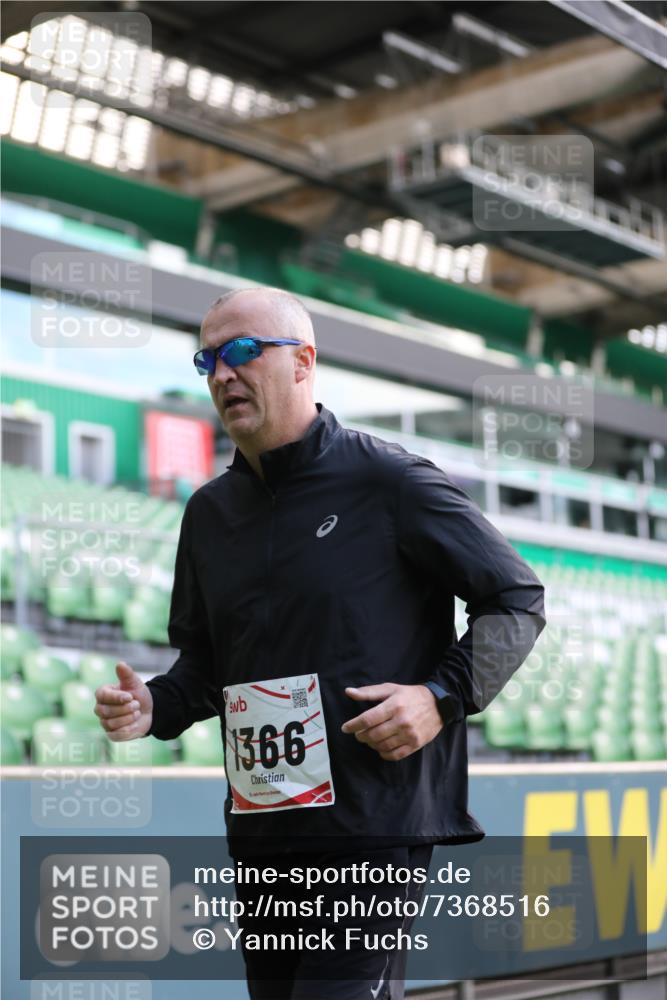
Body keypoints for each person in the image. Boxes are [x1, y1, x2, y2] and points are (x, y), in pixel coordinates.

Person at [95, 286, 546, 999]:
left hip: (371, 826)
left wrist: (439, 696)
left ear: (303, 362)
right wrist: (154, 706)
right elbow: (208, 667)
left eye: (242, 351)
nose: (221, 374)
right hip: (262, 830)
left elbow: (515, 598)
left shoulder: (389, 481)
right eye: (206, 358)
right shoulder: (208, 514)